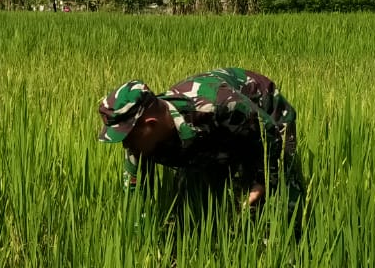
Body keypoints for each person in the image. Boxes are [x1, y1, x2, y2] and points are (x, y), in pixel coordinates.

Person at [97, 67, 301, 218]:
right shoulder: (139, 140)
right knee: (196, 200)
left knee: (277, 200)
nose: (126, 145)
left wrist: (262, 180)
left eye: (127, 137)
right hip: (206, 134)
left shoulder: (218, 107)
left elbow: (269, 135)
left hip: (264, 113)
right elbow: (134, 197)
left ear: (150, 124)